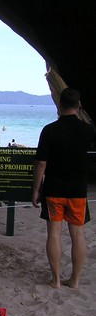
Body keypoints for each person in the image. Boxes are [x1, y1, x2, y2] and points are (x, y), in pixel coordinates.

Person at [32, 88, 96, 289]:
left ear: (59, 106)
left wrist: (35, 189)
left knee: (54, 234)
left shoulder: (49, 130)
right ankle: (75, 281)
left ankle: (56, 280)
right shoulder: (88, 130)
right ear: (78, 107)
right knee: (78, 235)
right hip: (78, 192)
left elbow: (41, 163)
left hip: (54, 190)